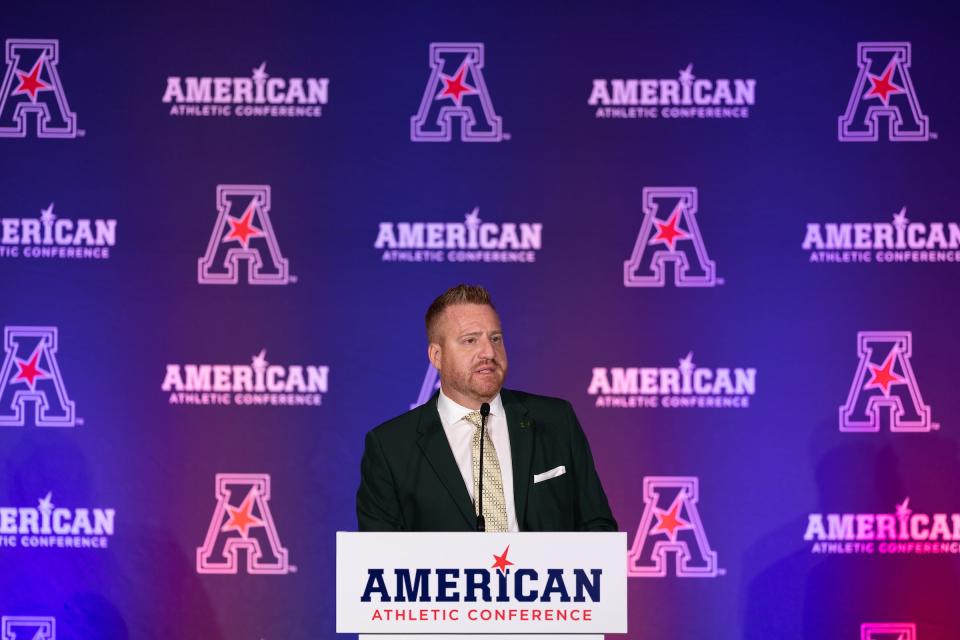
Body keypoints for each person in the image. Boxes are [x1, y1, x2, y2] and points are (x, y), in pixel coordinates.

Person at [356, 284, 617, 532]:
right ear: (437, 356)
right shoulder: (391, 447)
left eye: (495, 338)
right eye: (470, 340)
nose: (488, 352)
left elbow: (598, 528)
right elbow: (379, 559)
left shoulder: (557, 421)